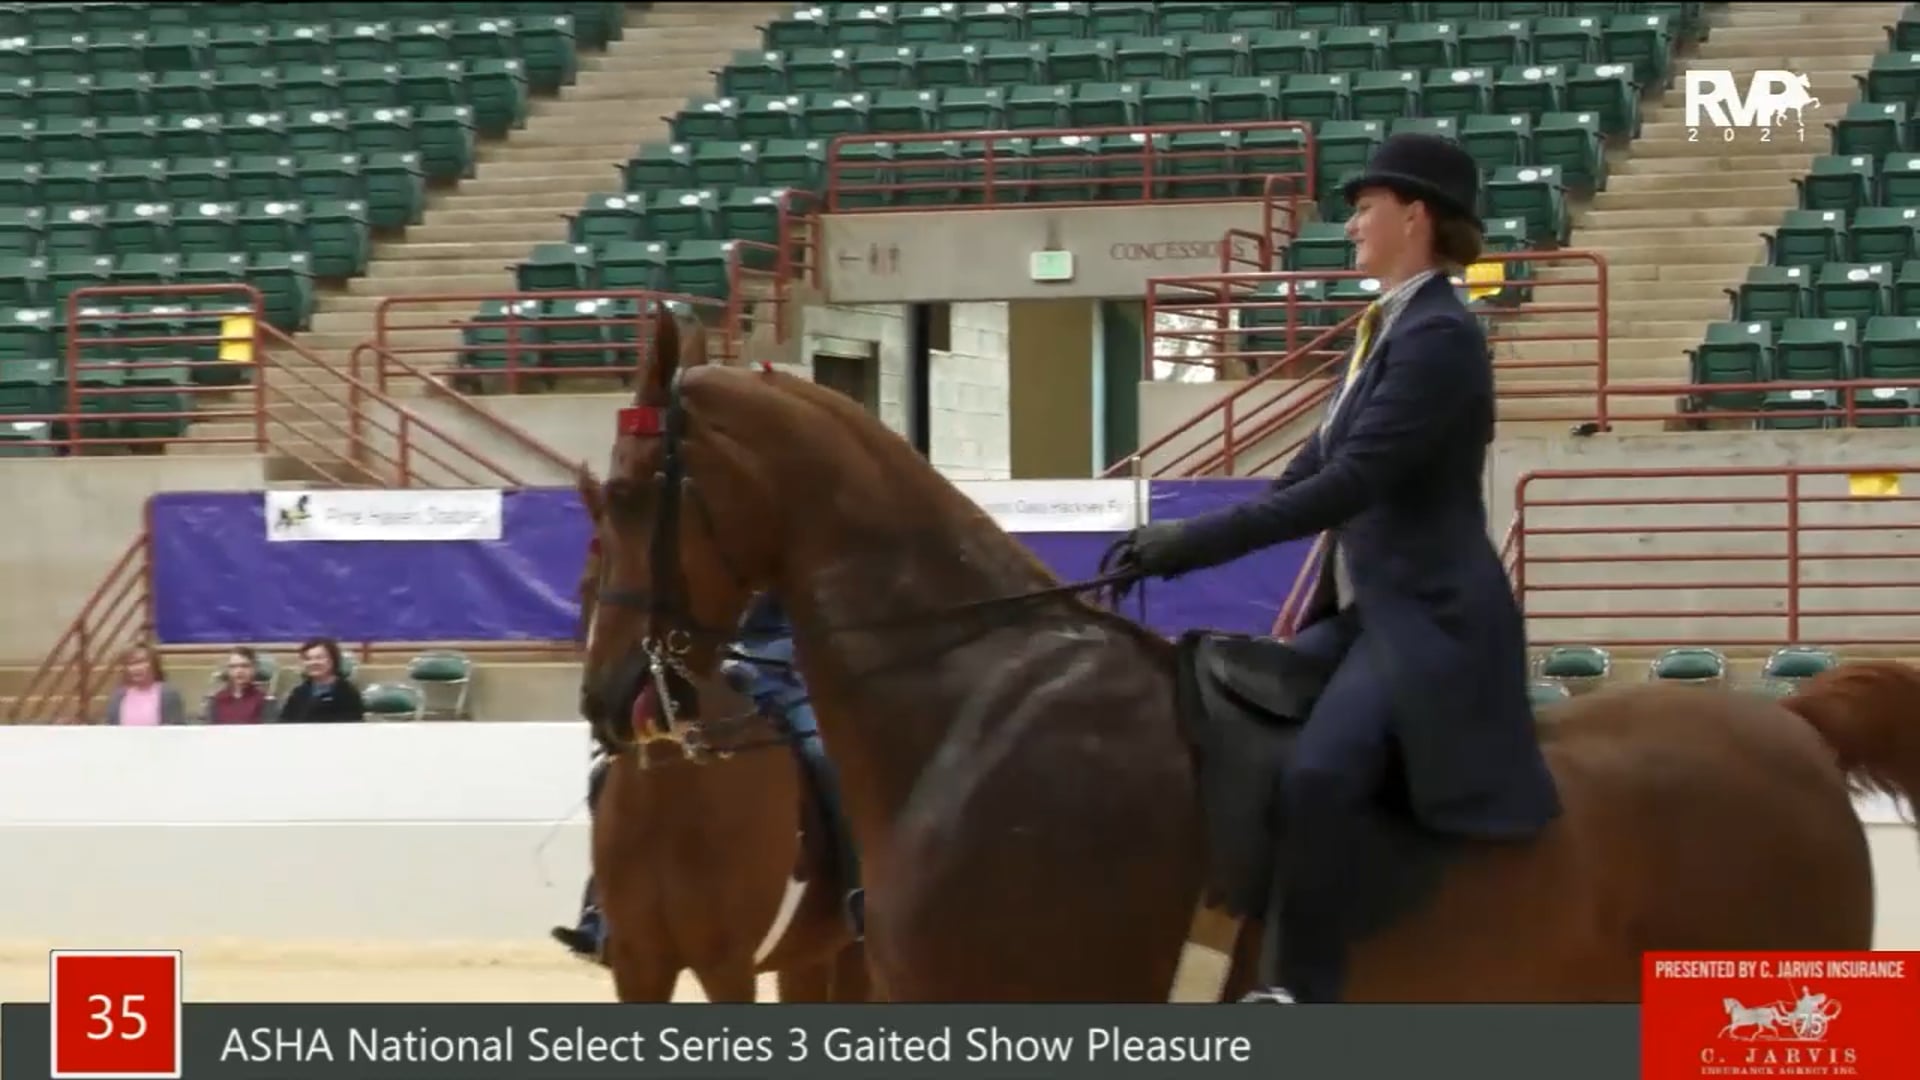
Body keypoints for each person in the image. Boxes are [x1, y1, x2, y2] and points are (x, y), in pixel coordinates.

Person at [1108, 132, 1562, 1005]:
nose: (1351, 222)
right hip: (1365, 615)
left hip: (1429, 617)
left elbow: (1351, 483)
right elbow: (1306, 470)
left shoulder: (1439, 339)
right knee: (1218, 711)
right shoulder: (1380, 333)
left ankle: (1301, 994)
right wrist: (1170, 532)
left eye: (1365, 207)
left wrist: (1195, 547)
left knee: (1321, 772)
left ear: (1415, 216)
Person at [550, 591, 864, 963]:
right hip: (692, 668)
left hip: (780, 672)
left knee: (823, 756)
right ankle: (601, 907)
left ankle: (858, 893)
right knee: (611, 764)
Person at [277, 637, 365, 722]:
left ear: (332, 660)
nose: (313, 663)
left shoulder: (347, 692)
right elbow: (285, 722)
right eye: (308, 659)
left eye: (319, 658)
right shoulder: (299, 693)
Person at [105, 644, 187, 726]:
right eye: (131, 664)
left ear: (153, 664)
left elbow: (176, 730)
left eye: (141, 662)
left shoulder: (168, 694)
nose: (136, 668)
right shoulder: (119, 696)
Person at [203, 646, 277, 724]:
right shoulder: (216, 700)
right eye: (233, 667)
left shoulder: (265, 701)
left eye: (244, 666)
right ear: (228, 670)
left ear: (254, 668)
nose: (239, 671)